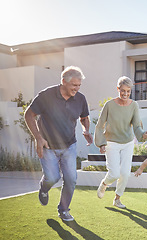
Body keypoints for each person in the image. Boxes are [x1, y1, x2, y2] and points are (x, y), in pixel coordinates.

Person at [24, 66, 93, 221]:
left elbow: (84, 117)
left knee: (71, 179)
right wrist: (38, 138)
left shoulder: (80, 99)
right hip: (48, 146)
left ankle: (63, 209)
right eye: (74, 85)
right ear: (63, 81)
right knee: (52, 178)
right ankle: (44, 187)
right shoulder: (46, 95)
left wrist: (86, 130)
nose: (77, 88)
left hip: (69, 145)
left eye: (79, 85)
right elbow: (29, 114)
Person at [95, 76, 147, 208]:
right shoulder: (109, 105)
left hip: (127, 143)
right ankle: (104, 184)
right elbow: (100, 125)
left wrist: (143, 135)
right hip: (111, 143)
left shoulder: (134, 105)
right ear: (118, 89)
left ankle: (117, 199)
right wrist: (101, 143)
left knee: (125, 174)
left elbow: (136, 126)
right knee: (114, 173)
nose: (125, 94)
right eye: (123, 91)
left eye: (128, 91)